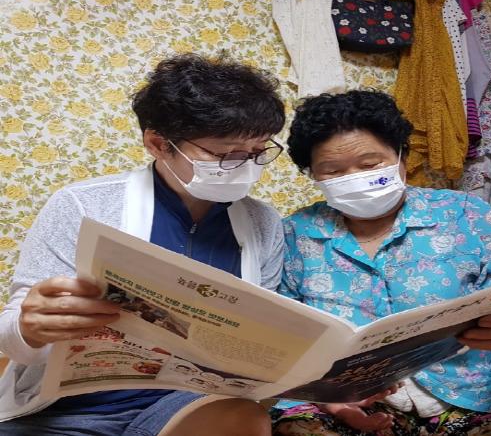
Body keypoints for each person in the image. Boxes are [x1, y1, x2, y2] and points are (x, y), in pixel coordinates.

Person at [0, 53, 285, 436]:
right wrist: (31, 327)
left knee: (244, 418)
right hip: (67, 409)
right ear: (158, 144)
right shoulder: (83, 205)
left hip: (187, 406)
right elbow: (14, 338)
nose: (246, 166)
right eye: (226, 154)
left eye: (257, 152)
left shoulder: (263, 222)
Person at [272, 90, 491, 436]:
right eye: (333, 171)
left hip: (474, 391)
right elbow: (288, 332)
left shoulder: (463, 213)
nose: (354, 178)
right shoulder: (297, 232)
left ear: (402, 156)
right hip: (350, 398)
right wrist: (330, 397)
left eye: (370, 165)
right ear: (313, 175)